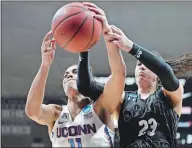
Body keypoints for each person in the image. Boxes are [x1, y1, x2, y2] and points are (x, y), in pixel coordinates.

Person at [76, 4, 192, 148]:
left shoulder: (170, 96)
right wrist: (83, 47)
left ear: (157, 75)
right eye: (138, 65)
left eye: (147, 65)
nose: (142, 66)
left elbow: (165, 71)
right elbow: (86, 86)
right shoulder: (123, 100)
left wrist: (130, 46)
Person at [25, 5, 126, 146]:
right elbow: (32, 111)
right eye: (66, 74)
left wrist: (107, 35)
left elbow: (118, 75)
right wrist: (45, 65)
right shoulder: (56, 114)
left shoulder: (100, 108)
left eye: (74, 72)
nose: (68, 76)